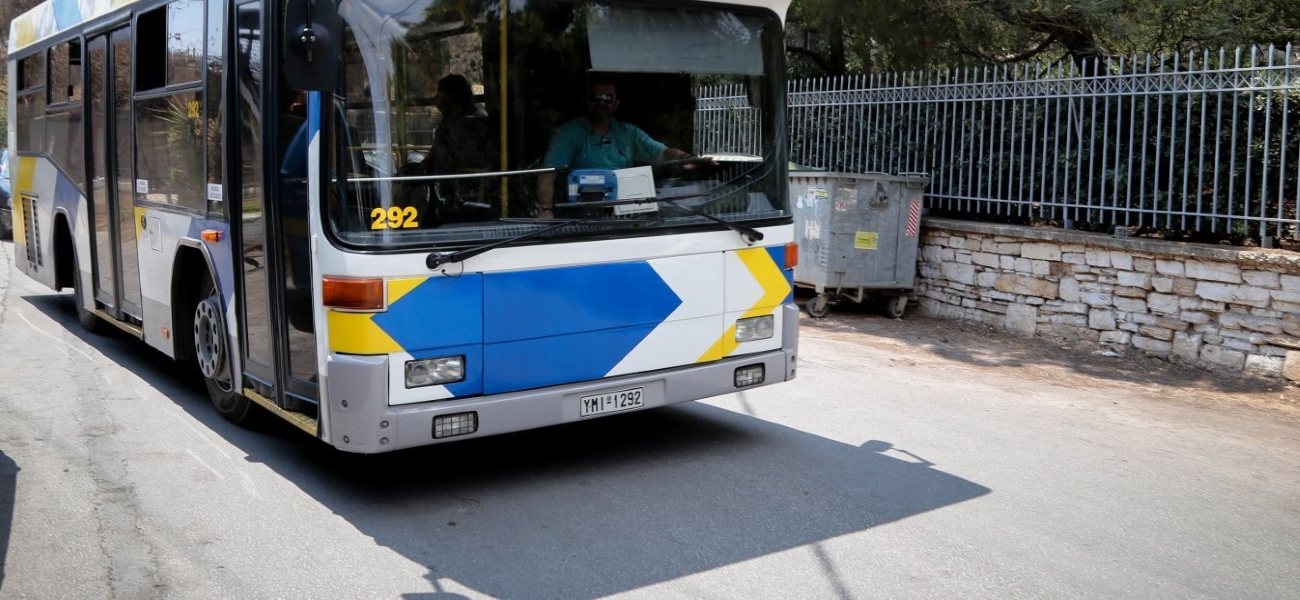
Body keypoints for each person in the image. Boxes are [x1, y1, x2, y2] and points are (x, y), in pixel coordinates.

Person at [535, 79, 700, 218]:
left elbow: (663, 153)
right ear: (587, 101)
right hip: (580, 218)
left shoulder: (628, 133)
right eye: (596, 97)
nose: (601, 102)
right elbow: (548, 172)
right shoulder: (569, 133)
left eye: (608, 98)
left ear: (616, 104)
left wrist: (686, 158)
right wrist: (546, 210)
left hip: (624, 217)